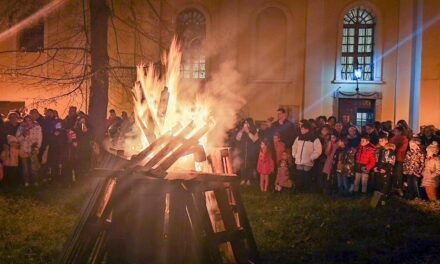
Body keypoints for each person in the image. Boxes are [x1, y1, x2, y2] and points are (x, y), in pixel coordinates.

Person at [291, 121, 322, 192]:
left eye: (303, 129)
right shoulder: (299, 137)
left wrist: (312, 157)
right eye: (301, 129)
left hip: (308, 161)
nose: (302, 130)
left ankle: (306, 189)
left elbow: (318, 150)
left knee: (306, 175)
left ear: (308, 129)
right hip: (299, 160)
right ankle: (298, 188)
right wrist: (294, 154)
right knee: (299, 175)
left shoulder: (314, 138)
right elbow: (294, 146)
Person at [16, 115, 42, 187]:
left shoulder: (37, 128)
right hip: (23, 149)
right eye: (26, 120)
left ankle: (35, 181)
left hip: (33, 149)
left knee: (33, 167)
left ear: (32, 120)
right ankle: (26, 181)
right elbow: (17, 139)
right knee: (25, 168)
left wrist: (37, 148)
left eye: (29, 120)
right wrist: (23, 135)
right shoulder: (21, 128)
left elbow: (39, 138)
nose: (28, 122)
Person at [236, 118, 259, 186]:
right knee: (243, 166)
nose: (245, 124)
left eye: (247, 123)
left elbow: (255, 139)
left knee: (250, 166)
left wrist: (248, 132)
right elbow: (237, 138)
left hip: (251, 151)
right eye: (245, 123)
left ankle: (249, 180)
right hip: (243, 151)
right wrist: (242, 131)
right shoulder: (242, 131)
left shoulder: (254, 131)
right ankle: (243, 179)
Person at [390, 126, 409, 196]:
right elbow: (389, 146)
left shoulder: (404, 139)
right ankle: (394, 187)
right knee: (393, 173)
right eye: (394, 131)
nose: (394, 132)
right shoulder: (392, 138)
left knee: (399, 174)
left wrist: (394, 149)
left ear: (400, 132)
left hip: (399, 158)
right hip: (392, 158)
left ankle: (399, 187)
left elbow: (403, 148)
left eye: (396, 131)